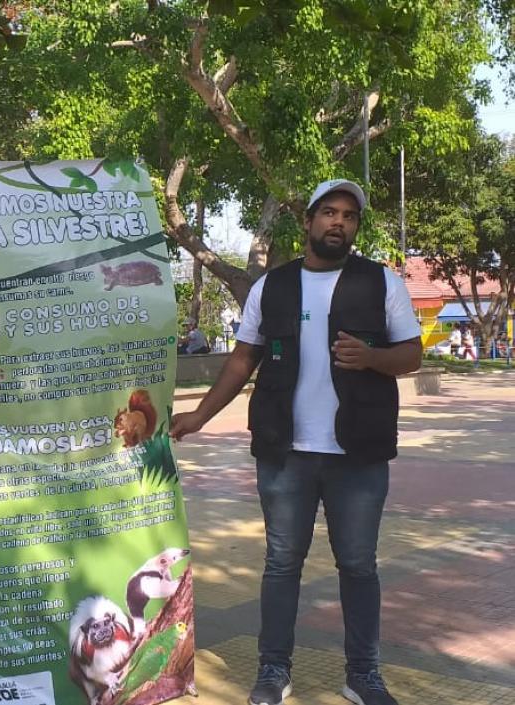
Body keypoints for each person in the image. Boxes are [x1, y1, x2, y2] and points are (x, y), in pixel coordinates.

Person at [170, 179, 422, 705]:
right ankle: (273, 671)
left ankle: (363, 675)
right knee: (282, 564)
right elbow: (243, 359)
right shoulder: (273, 286)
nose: (339, 223)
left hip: (359, 454)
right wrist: (198, 414)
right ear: (308, 222)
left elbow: (411, 356)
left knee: (359, 565)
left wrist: (373, 359)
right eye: (329, 213)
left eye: (349, 217)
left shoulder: (382, 283)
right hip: (286, 451)